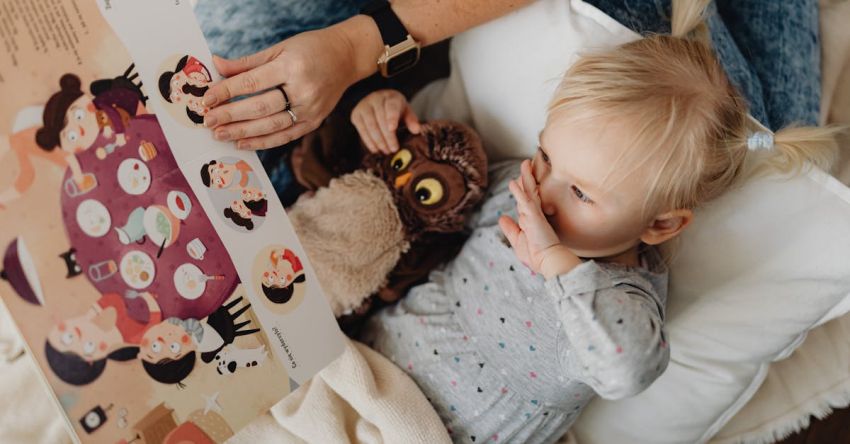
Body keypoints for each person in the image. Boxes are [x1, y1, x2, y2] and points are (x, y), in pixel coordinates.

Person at [355, 3, 840, 442]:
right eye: (545, 155)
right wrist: (395, 126)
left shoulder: (621, 294)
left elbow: (626, 371)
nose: (543, 194)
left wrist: (559, 268)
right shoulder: (522, 191)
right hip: (359, 372)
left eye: (582, 193)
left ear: (661, 226)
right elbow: (431, 197)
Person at [44, 291, 161, 385]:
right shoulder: (134, 338)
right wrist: (148, 297)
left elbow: (114, 298)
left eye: (67, 338)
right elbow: (155, 323)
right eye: (88, 347)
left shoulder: (100, 313)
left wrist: (90, 315)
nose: (77, 335)